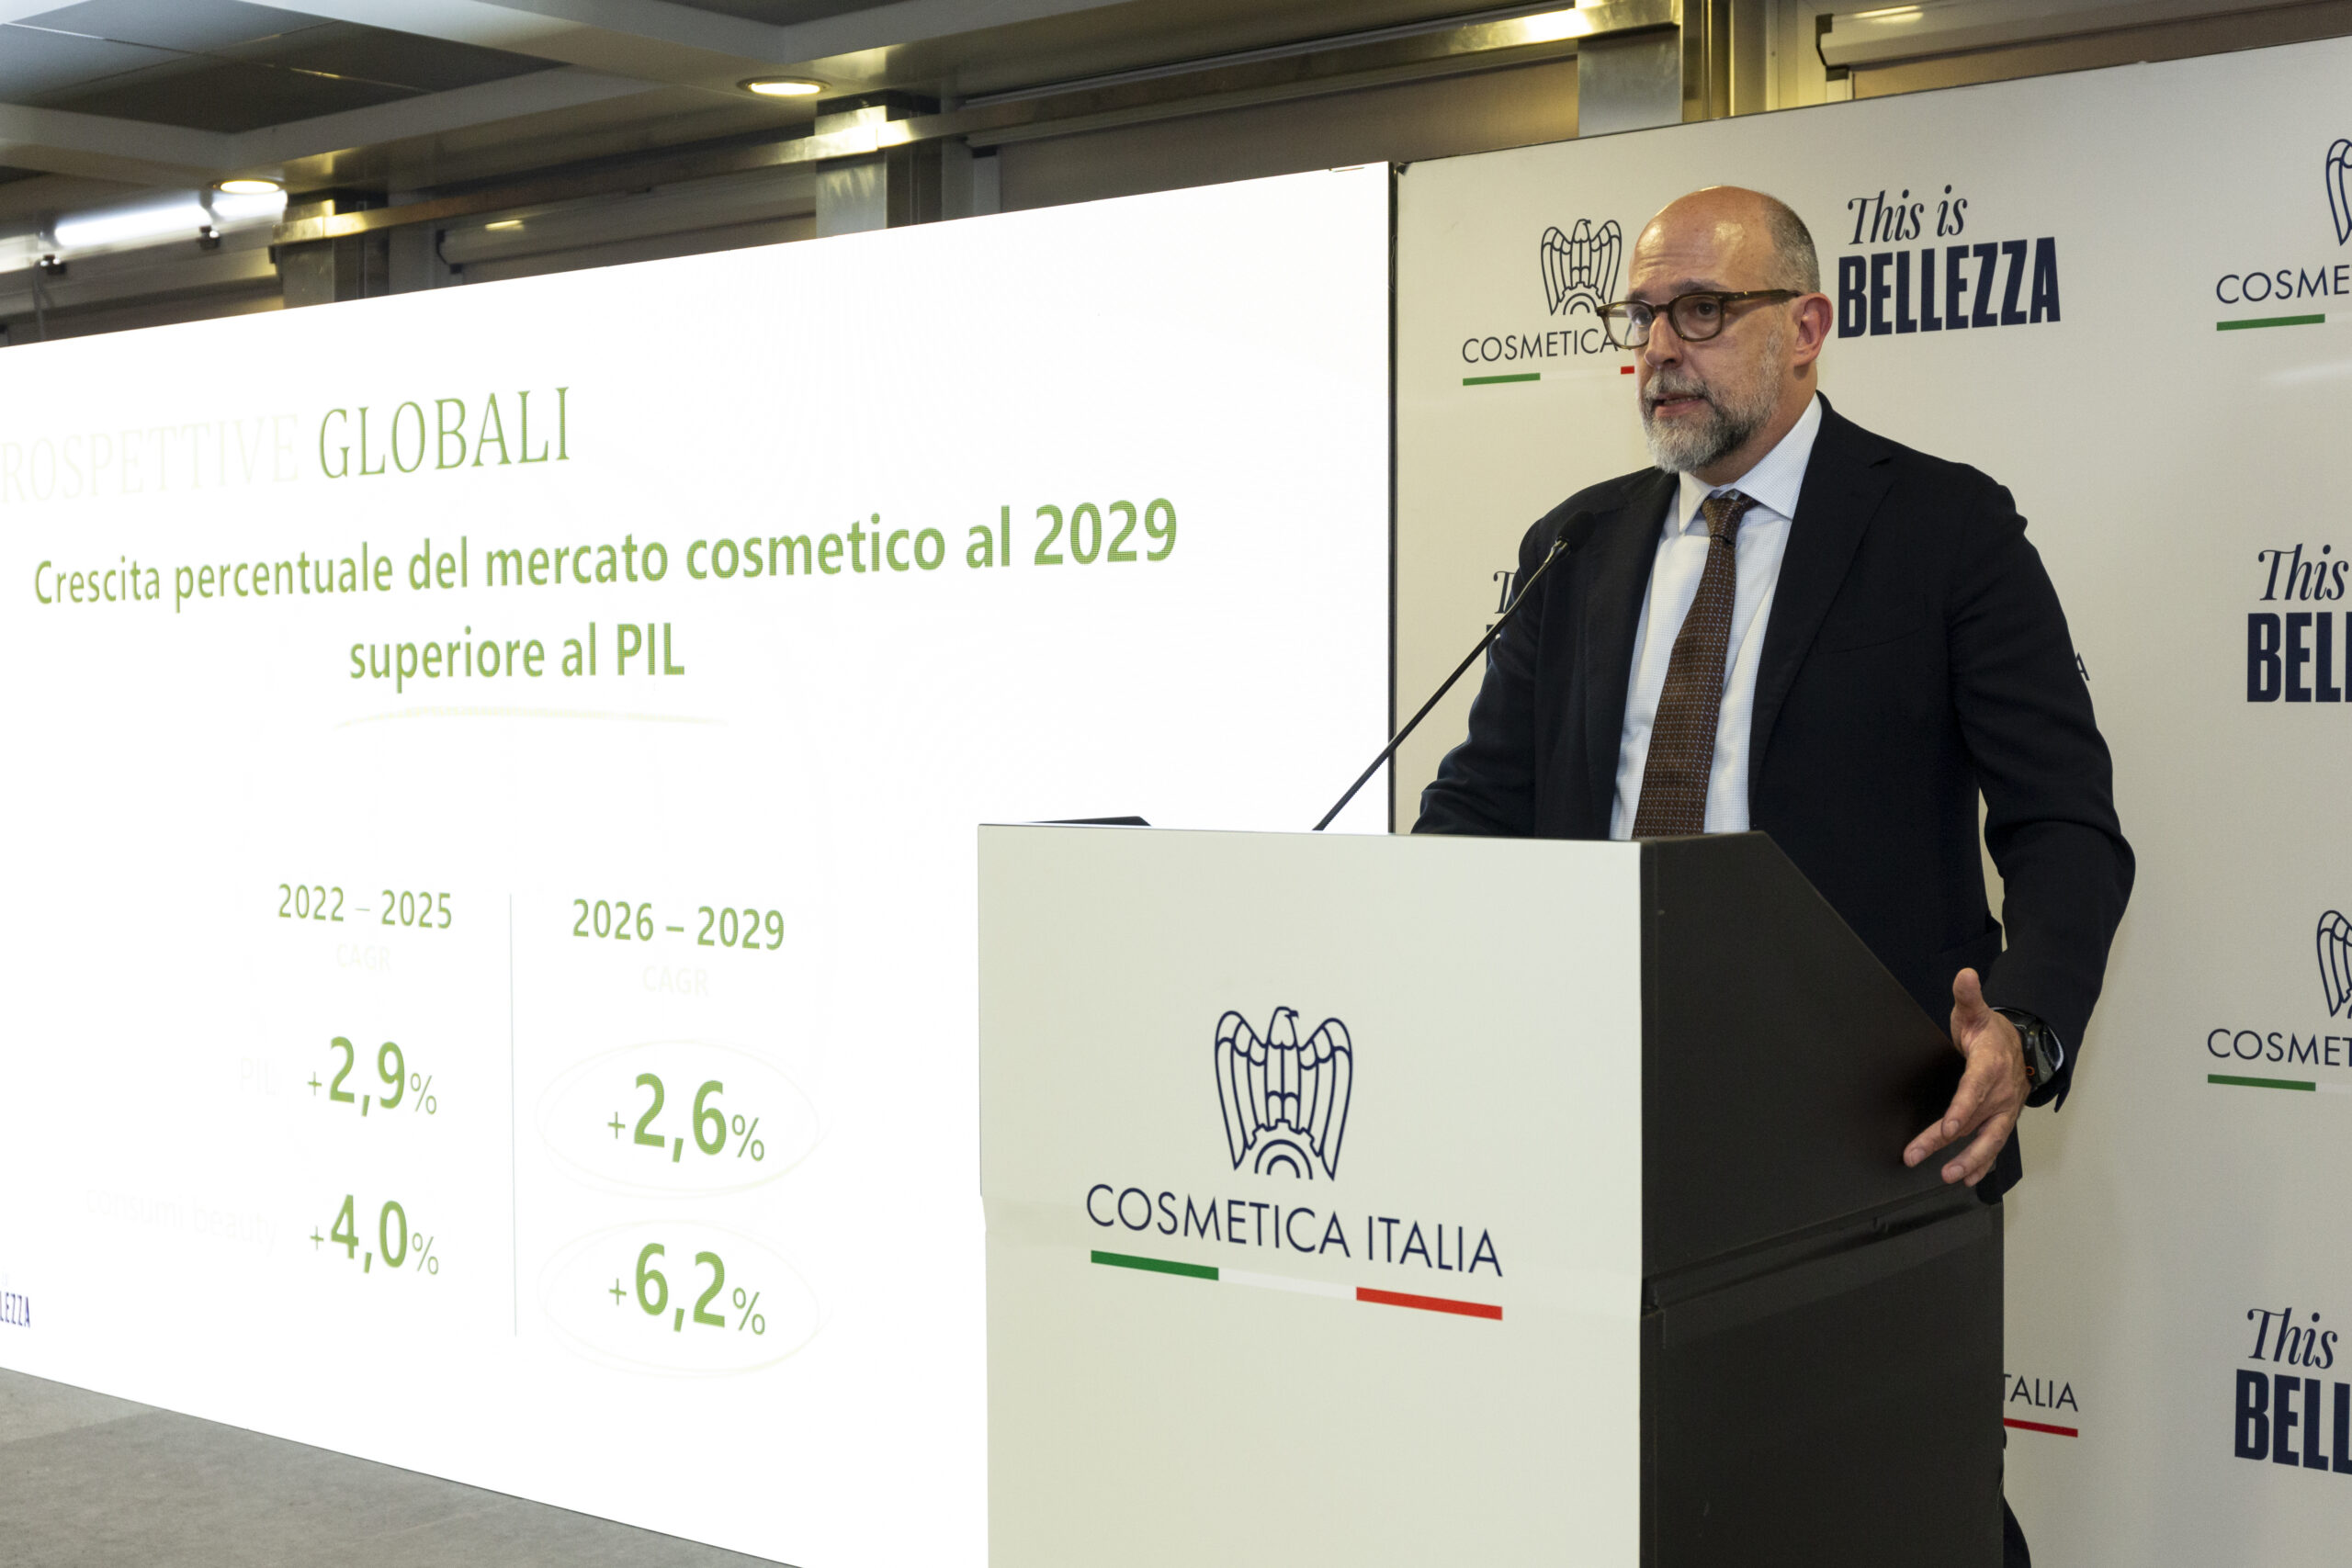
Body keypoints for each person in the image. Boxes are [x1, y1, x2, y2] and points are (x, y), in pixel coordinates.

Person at [1412, 186, 2132, 1567]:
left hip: (1864, 1136)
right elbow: (1479, 808)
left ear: (1806, 328)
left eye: (1701, 311)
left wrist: (2026, 1026)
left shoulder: (1944, 529)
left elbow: (2064, 822)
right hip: (1595, 1126)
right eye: (1641, 317)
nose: (1658, 349)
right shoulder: (1576, 544)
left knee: (1896, 1516)